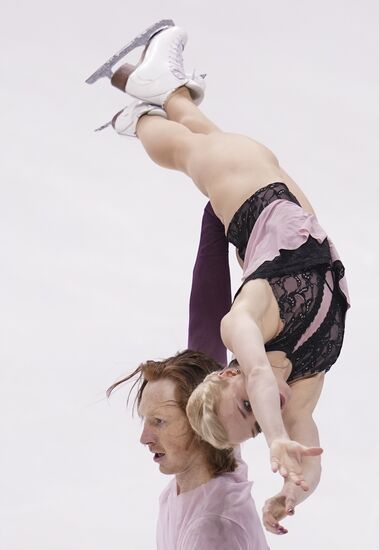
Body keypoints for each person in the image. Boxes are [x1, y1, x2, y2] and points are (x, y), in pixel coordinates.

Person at [103, 23, 349, 532]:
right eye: (256, 424)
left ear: (228, 374)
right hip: (306, 228)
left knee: (190, 153)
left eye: (248, 409)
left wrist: (275, 437)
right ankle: (163, 95)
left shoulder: (239, 330)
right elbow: (310, 455)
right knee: (223, 139)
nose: (265, 416)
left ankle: (145, 113)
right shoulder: (302, 387)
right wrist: (291, 492)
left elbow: (260, 377)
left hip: (255, 206)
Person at [107, 351, 270, 548]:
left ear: (203, 423)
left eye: (159, 421)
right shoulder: (183, 488)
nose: (144, 439)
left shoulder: (211, 530)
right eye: (146, 420)